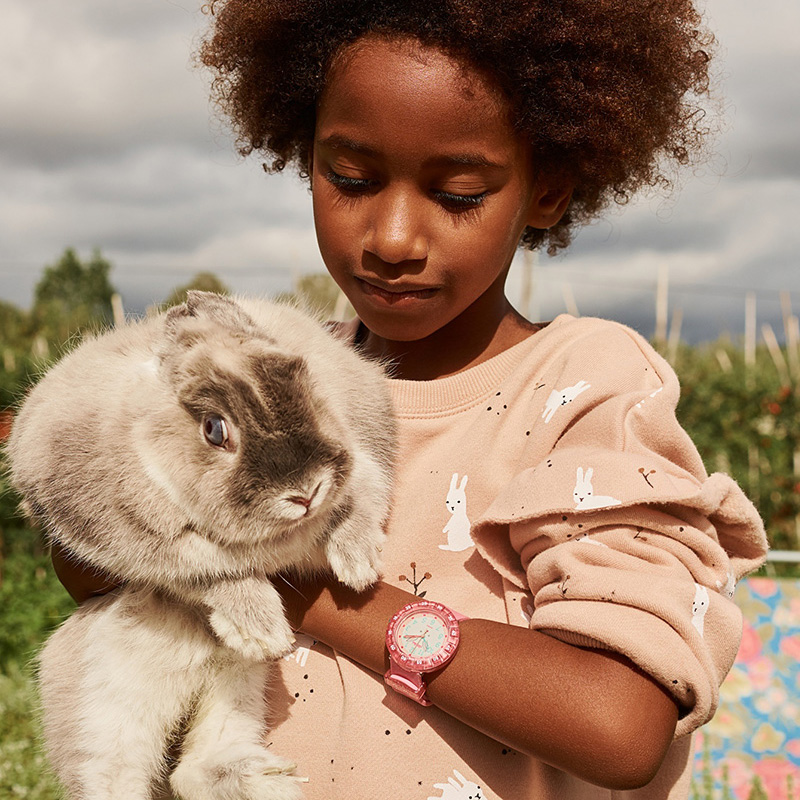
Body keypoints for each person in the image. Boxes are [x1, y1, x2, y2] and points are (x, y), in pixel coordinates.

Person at [55, 1, 768, 797]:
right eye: (351, 178)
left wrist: (298, 589)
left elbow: (619, 726)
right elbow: (81, 562)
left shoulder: (584, 387)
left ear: (547, 193)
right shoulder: (280, 369)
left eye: (459, 193)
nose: (392, 237)